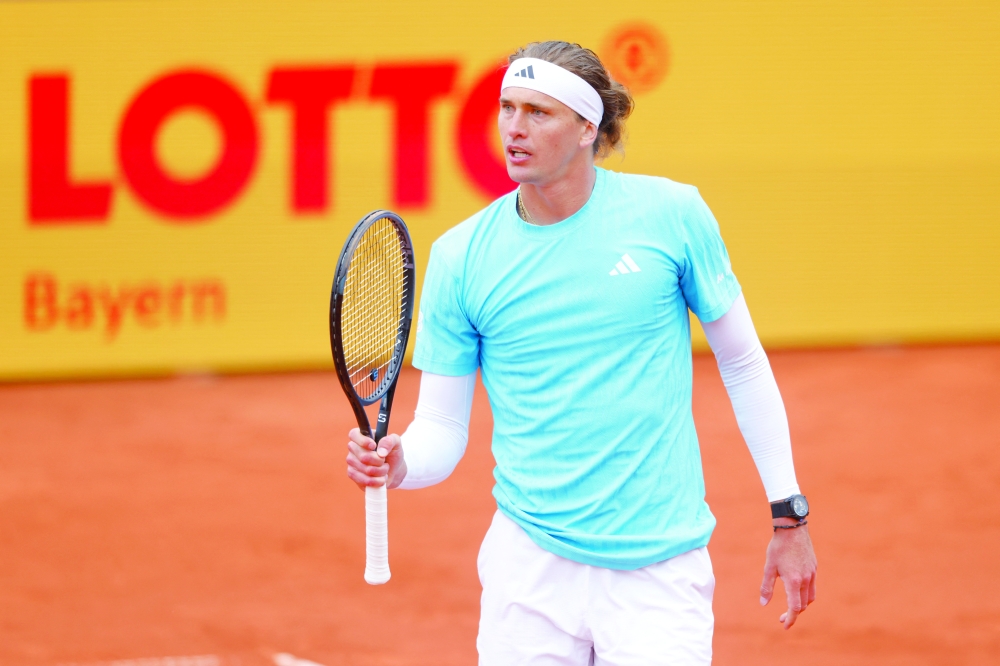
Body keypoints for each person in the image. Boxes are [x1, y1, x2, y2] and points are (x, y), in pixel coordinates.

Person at [345, 40, 817, 665]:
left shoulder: (672, 215)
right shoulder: (460, 258)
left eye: (538, 112)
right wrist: (403, 462)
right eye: (506, 107)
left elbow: (743, 363)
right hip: (529, 568)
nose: (514, 128)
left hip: (659, 571)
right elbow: (440, 426)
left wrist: (789, 516)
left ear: (588, 126)